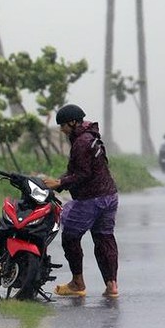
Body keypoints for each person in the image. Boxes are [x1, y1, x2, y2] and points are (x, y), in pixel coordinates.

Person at [43, 104, 120, 298]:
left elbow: (82, 174)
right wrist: (59, 182)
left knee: (70, 236)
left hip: (91, 199)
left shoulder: (81, 142)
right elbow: (79, 170)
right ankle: (112, 286)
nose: (61, 130)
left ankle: (77, 283)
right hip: (109, 196)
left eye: (63, 125)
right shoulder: (90, 137)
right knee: (104, 239)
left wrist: (59, 182)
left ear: (73, 122)